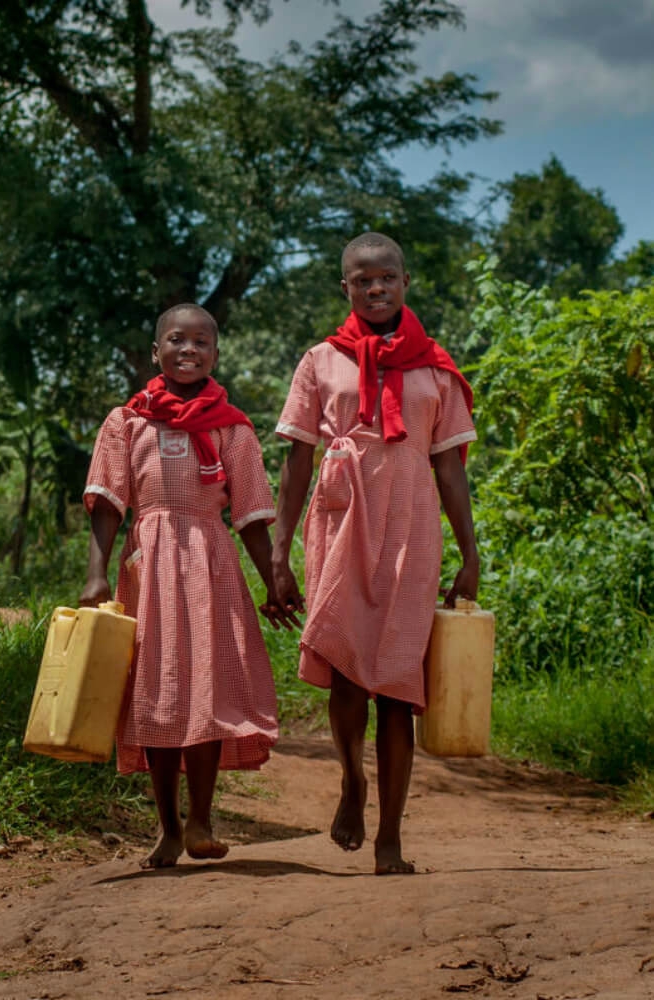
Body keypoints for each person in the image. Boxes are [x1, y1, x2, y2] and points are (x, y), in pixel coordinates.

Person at [265, 232, 479, 875]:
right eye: (363, 280)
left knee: (398, 682)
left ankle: (391, 837)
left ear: (405, 282)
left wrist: (470, 552)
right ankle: (351, 783)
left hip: (413, 523)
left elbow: (450, 468)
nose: (376, 287)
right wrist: (279, 545)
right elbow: (296, 456)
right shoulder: (320, 360)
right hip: (340, 519)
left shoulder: (436, 368)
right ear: (347, 289)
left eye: (387, 277)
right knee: (348, 666)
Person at [80, 303, 280, 870]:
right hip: (150, 565)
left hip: (211, 566)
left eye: (201, 343)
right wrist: (96, 573)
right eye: (176, 340)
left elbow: (252, 516)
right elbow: (108, 501)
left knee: (206, 693)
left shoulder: (232, 428)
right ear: (155, 352)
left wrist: (275, 582)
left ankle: (200, 820)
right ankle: (167, 827)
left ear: (215, 355)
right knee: (156, 696)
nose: (188, 350)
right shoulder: (127, 423)